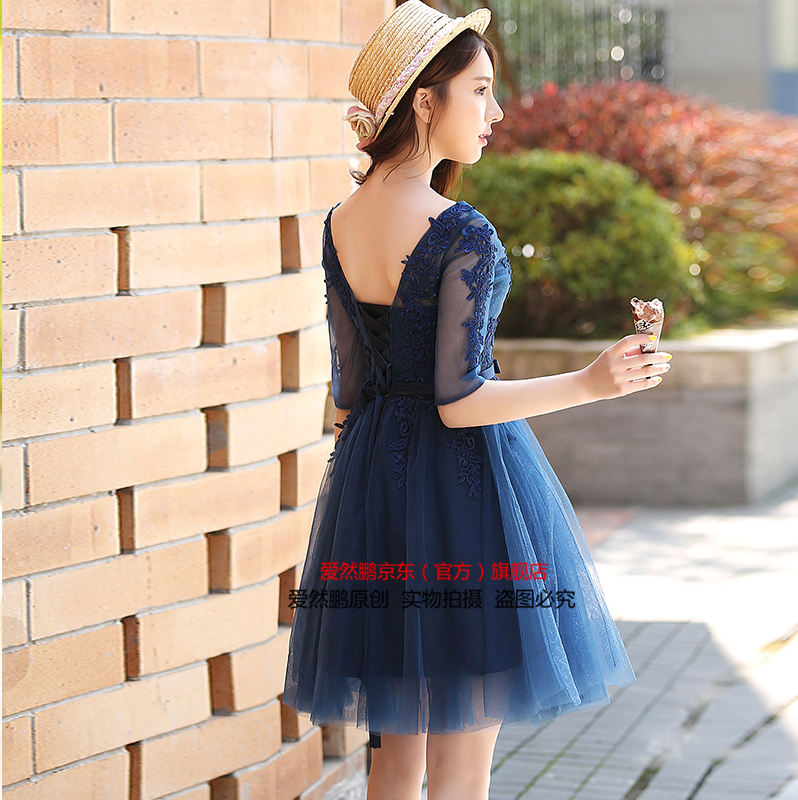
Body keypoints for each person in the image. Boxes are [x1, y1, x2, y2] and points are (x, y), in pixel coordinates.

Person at [281, 3, 673, 799]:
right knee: (462, 769)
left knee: (395, 758)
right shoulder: (461, 232)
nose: (495, 114)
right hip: (463, 493)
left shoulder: (341, 222)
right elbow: (459, 402)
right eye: (481, 91)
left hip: (373, 486)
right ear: (426, 102)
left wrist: (371, 492)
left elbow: (349, 390)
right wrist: (591, 381)